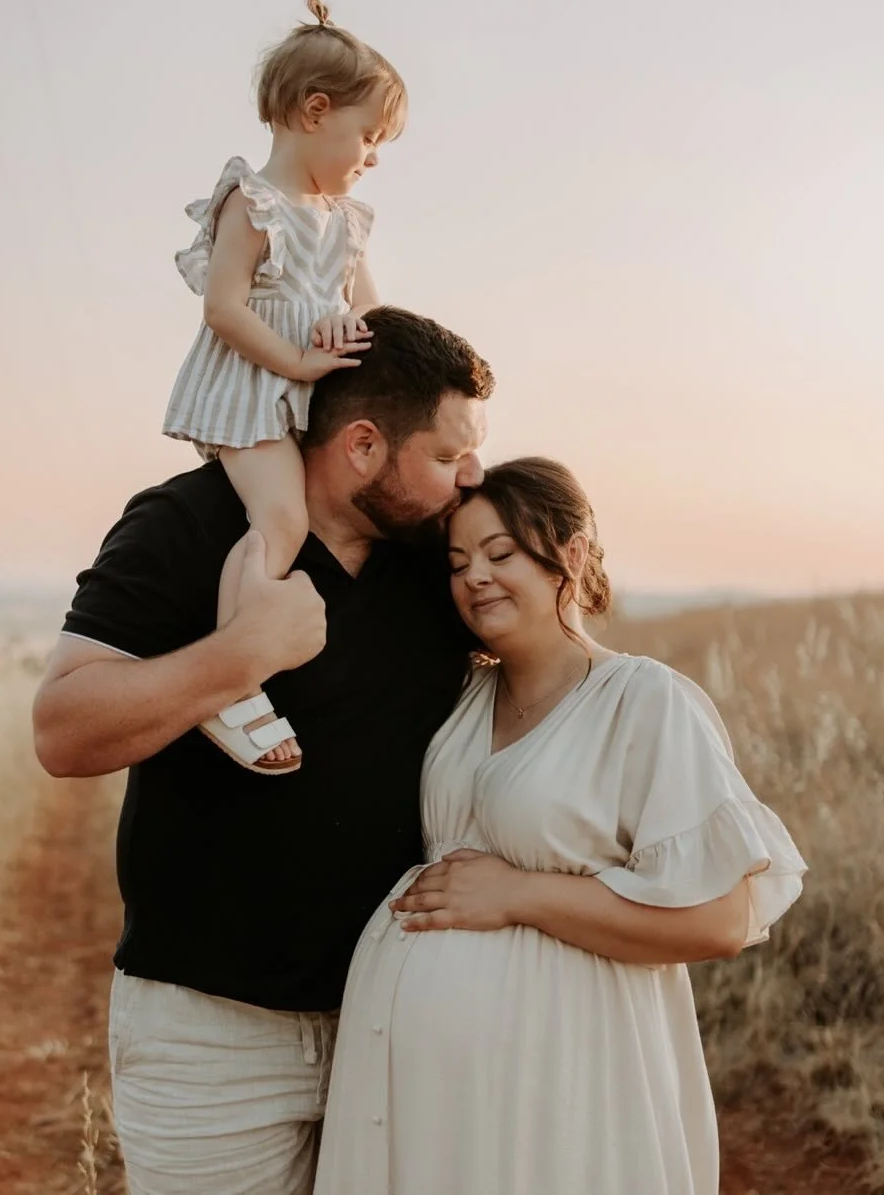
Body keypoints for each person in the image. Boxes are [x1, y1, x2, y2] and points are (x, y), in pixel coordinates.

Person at [32, 307, 493, 1195]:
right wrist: (242, 654)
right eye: (445, 455)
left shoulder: (441, 559)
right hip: (212, 1033)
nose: (469, 476)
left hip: (396, 1021)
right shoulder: (189, 522)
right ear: (362, 445)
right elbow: (63, 729)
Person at [313, 457, 807, 1195]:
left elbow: (722, 920)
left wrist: (519, 895)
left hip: (567, 1070)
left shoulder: (643, 701)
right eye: (458, 562)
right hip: (425, 1095)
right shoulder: (459, 700)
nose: (475, 576)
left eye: (500, 553)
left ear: (569, 556)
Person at [163, 0, 407, 774]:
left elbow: (373, 315)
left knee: (316, 522)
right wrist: (300, 359)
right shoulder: (256, 202)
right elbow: (224, 307)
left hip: (311, 392)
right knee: (281, 520)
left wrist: (342, 329)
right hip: (255, 385)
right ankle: (232, 681)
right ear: (313, 112)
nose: (371, 156)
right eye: (367, 136)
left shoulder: (344, 220)